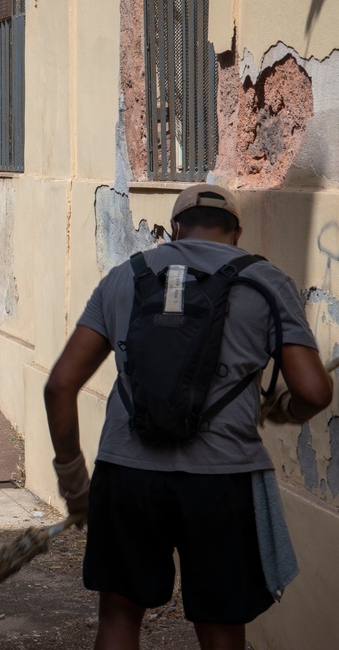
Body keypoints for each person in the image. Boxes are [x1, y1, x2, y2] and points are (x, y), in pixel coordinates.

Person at [43, 184, 334, 649]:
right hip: (222, 479)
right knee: (221, 625)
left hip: (127, 473)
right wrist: (283, 409)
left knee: (119, 615)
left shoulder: (125, 276)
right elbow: (315, 391)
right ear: (236, 234)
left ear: (175, 229)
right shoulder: (265, 281)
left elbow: (60, 384)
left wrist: (73, 479)